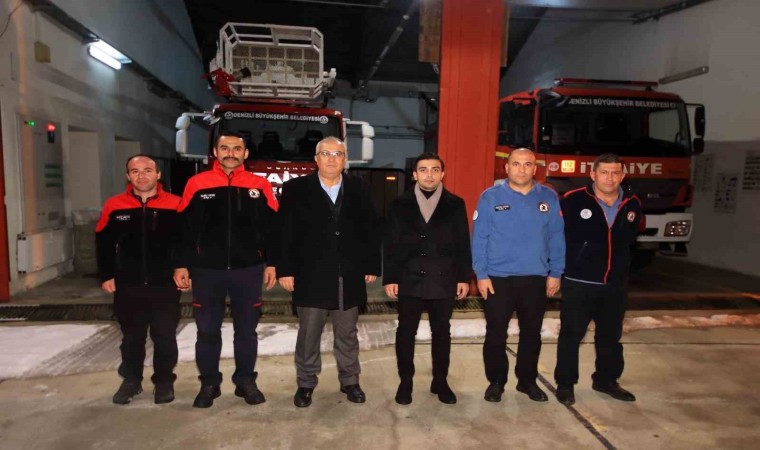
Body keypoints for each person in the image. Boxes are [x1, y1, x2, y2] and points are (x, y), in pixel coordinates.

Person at [173, 131, 278, 408]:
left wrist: (272, 262)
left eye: (236, 148)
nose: (230, 153)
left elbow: (272, 228)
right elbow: (184, 228)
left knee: (247, 331)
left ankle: (245, 381)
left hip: (248, 270)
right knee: (207, 331)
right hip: (206, 271)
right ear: (216, 152)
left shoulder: (259, 185)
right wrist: (182, 263)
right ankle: (209, 383)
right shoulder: (197, 183)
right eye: (224, 148)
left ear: (245, 153)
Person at [276, 136, 381, 408]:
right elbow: (284, 232)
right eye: (326, 153)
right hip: (310, 274)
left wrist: (371, 264)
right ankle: (306, 383)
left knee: (347, 333)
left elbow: (371, 228)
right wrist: (285, 270)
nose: (332, 159)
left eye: (337, 154)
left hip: (349, 273)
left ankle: (350, 381)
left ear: (345, 159)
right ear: (316, 159)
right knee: (309, 333)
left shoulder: (360, 188)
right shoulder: (295, 189)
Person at [471, 148, 565, 403]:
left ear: (535, 168)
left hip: (535, 278)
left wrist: (556, 272)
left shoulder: (548, 197)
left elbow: (556, 237)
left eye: (527, 164)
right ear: (507, 167)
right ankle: (496, 382)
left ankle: (527, 381)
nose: (522, 169)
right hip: (497, 279)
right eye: (516, 164)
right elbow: (479, 238)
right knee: (495, 334)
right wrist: (481, 274)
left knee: (532, 334)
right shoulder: (490, 197)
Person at [554, 153, 642, 406]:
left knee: (610, 337)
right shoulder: (573, 200)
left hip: (614, 285)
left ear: (622, 176)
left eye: (615, 173)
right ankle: (565, 384)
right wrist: (557, 271)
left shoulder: (632, 203)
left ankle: (606, 380)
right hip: (579, 283)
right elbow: (557, 238)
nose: (609, 178)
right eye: (604, 172)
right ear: (593, 174)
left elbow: (629, 240)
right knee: (571, 336)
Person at [383, 152, 471, 405]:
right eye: (423, 170)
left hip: (444, 278)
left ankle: (440, 381)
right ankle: (406, 382)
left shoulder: (456, 204)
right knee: (405, 332)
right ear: (414, 174)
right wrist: (390, 277)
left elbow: (462, 243)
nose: (429, 175)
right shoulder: (399, 204)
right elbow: (391, 243)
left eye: (434, 170)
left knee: (442, 332)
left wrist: (464, 277)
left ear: (443, 174)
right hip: (409, 277)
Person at [96, 154, 182, 405]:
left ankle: (164, 381)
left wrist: (184, 268)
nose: (141, 176)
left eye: (147, 170)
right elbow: (103, 243)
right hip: (128, 284)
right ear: (128, 176)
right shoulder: (114, 205)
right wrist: (106, 274)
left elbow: (185, 242)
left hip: (164, 284)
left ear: (158, 174)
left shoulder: (176, 204)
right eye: (135, 171)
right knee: (131, 338)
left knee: (165, 336)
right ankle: (131, 380)